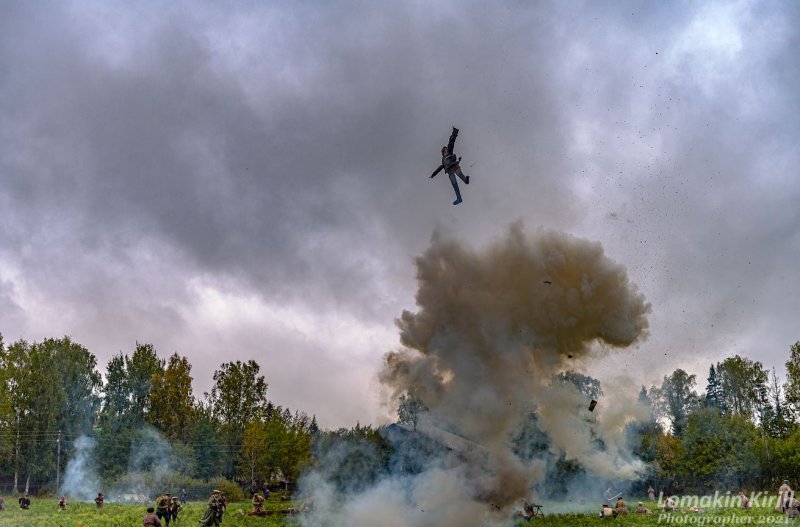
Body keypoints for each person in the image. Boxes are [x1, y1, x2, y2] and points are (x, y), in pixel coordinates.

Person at [430, 127, 470, 205]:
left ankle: (466, 180)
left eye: (445, 150)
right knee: (455, 185)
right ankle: (459, 198)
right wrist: (433, 174)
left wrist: (454, 132)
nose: (445, 151)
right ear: (442, 153)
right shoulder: (443, 159)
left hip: (455, 167)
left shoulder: (450, 151)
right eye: (444, 151)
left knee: (461, 176)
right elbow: (440, 167)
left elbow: (451, 142)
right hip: (450, 172)